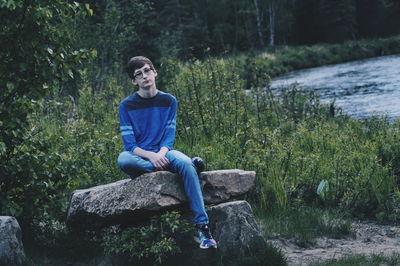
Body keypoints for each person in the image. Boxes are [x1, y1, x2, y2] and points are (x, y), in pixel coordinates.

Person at [117, 56, 217, 249]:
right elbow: (130, 145)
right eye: (139, 74)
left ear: (154, 72)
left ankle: (203, 227)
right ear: (134, 81)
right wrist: (152, 157)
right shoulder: (126, 105)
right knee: (123, 159)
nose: (144, 76)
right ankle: (178, 169)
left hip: (164, 152)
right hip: (141, 156)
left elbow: (168, 139)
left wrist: (161, 154)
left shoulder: (169, 100)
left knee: (185, 162)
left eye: (147, 71)